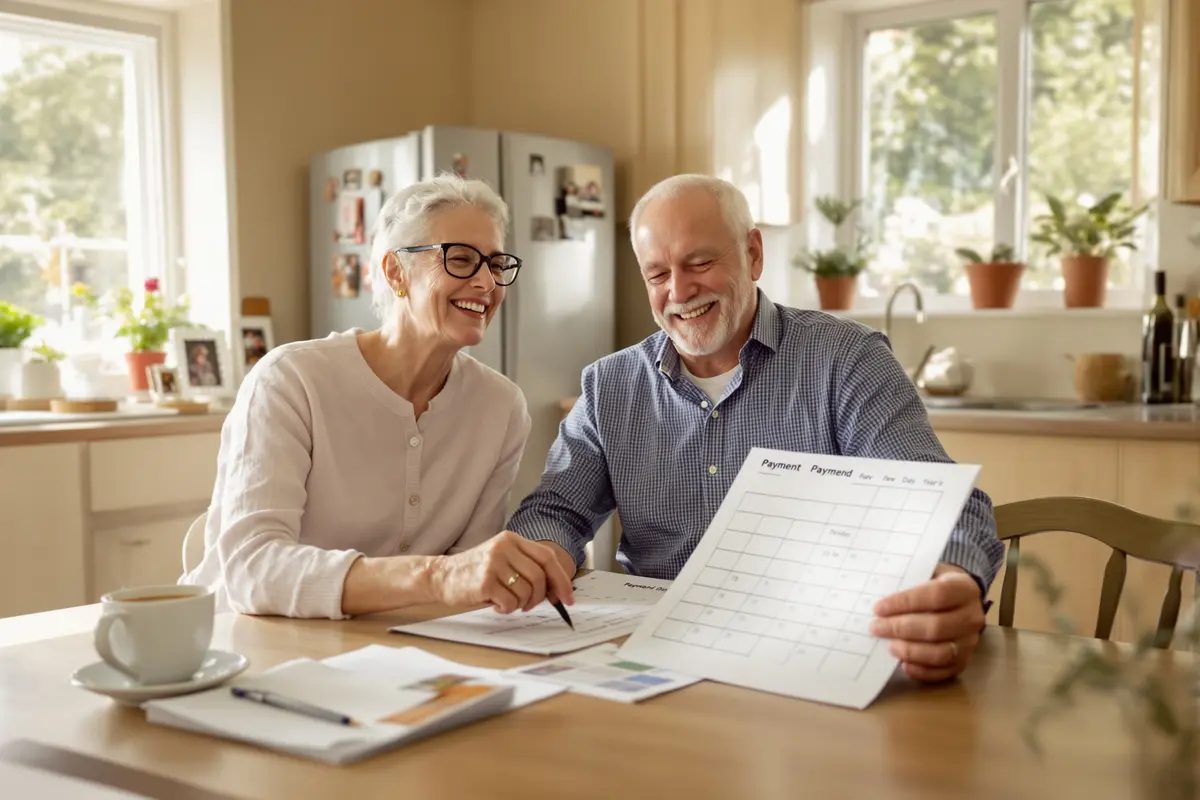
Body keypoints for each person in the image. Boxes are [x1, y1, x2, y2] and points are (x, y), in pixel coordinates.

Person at [507, 174, 1005, 684]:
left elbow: (940, 502)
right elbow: (556, 510)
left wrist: (957, 575)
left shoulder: (846, 362)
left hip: (810, 657)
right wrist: (540, 557)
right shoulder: (610, 385)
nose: (679, 291)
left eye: (700, 263)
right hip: (656, 658)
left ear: (754, 254)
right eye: (658, 274)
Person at [181, 174, 574, 618]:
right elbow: (252, 570)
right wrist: (438, 577)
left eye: (496, 264)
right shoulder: (291, 380)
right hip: (241, 644)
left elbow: (470, 580)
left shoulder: (500, 407)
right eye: (461, 259)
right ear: (395, 272)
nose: (487, 282)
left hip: (392, 652)